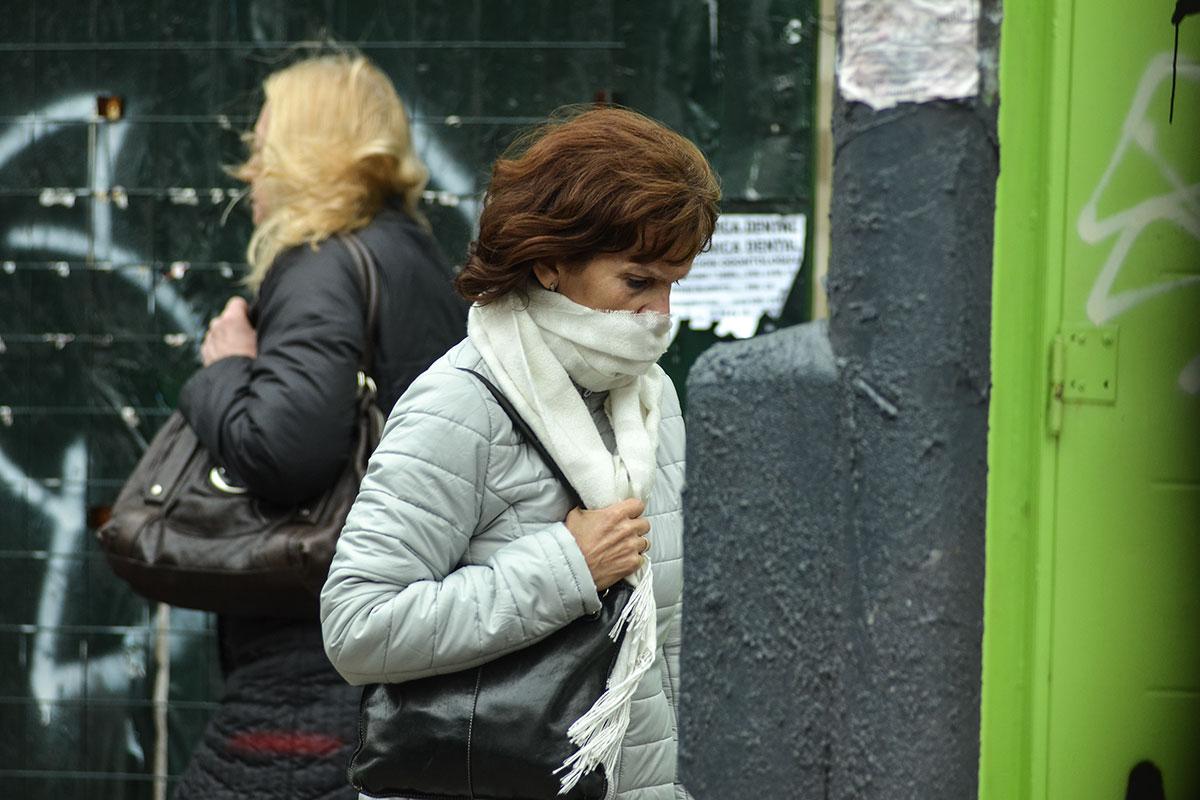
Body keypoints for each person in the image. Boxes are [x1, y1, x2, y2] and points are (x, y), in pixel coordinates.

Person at [320, 106, 720, 800]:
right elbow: (358, 627)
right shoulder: (460, 403)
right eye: (637, 281)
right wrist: (566, 567)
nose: (660, 314)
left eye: (672, 284)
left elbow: (672, 642)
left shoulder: (649, 398)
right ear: (549, 264)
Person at [171, 53, 466, 800]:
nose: (249, 172)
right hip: (402, 623)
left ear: (308, 154)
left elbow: (286, 449)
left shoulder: (321, 266)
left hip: (312, 649)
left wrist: (225, 367)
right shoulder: (419, 258)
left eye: (263, 148)